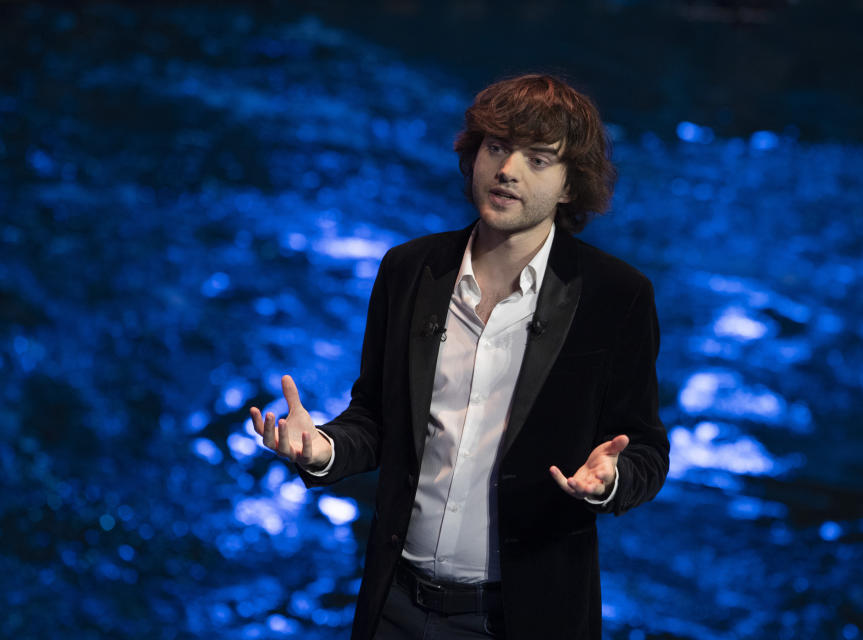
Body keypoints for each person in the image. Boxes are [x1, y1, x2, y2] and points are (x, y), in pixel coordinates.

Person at [249, 74, 670, 639]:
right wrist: (320, 447)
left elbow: (645, 448)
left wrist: (612, 479)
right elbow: (374, 417)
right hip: (395, 604)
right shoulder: (410, 270)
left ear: (572, 185)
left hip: (523, 617)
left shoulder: (616, 296)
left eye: (538, 159)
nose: (508, 170)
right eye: (496, 148)